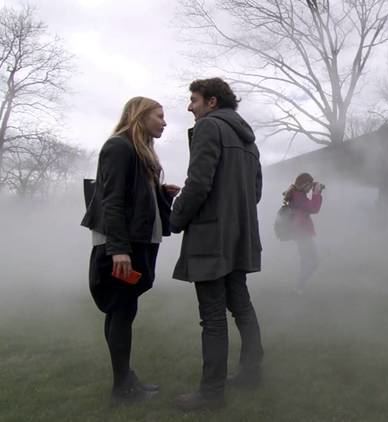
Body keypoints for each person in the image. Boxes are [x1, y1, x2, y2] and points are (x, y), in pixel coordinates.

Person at [170, 78, 263, 411]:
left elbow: (198, 184)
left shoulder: (209, 127)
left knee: (213, 317)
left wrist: (175, 218)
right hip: (239, 237)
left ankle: (211, 394)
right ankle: (252, 374)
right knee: (242, 307)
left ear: (211, 102)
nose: (189, 106)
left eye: (193, 99)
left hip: (211, 238)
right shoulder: (248, 140)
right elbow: (255, 193)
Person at [80, 97, 179, 405]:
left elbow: (133, 196)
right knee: (121, 311)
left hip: (137, 242)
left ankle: (125, 380)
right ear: (140, 115)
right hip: (122, 246)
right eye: (159, 116)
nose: (164, 122)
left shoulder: (140, 152)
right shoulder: (119, 146)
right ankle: (122, 387)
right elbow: (111, 199)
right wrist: (118, 250)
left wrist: (162, 194)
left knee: (123, 310)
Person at [283, 173, 323, 294]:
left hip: (301, 233)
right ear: (305, 184)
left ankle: (299, 286)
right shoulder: (298, 196)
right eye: (310, 186)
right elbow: (313, 208)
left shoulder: (297, 194)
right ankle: (299, 286)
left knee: (307, 260)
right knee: (312, 261)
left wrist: (316, 192)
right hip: (302, 233)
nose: (310, 189)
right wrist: (316, 193)